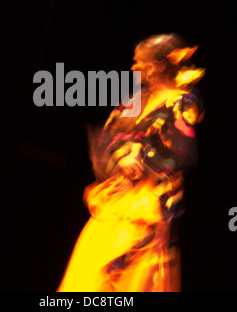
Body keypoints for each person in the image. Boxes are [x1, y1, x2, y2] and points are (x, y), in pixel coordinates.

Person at [57, 34, 205, 292]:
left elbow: (182, 151)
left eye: (139, 62)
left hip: (146, 208)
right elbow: (106, 138)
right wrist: (120, 155)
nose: (134, 68)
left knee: (129, 281)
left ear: (158, 65)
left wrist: (142, 156)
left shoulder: (182, 102)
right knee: (88, 278)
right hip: (117, 202)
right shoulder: (134, 101)